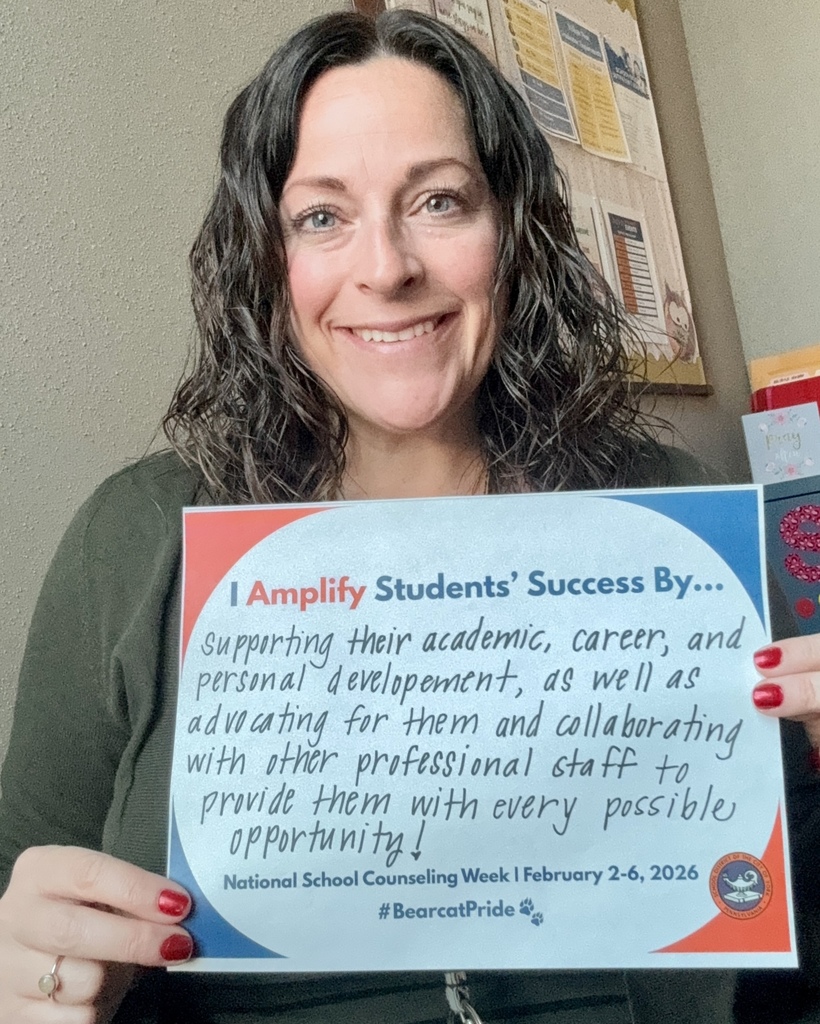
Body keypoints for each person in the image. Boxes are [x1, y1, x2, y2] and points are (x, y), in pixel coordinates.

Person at [0, 9, 818, 1023]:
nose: (385, 268)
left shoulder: (678, 519)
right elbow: (21, 890)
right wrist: (26, 973)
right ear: (265, 258)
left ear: (514, 232)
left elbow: (787, 942)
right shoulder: (133, 540)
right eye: (321, 216)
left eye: (438, 201)